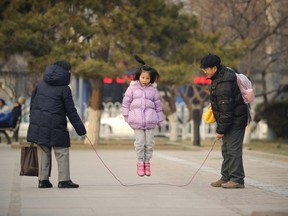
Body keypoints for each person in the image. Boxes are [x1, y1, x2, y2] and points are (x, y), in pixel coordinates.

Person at [27, 60, 86, 189]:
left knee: (43, 150)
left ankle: (43, 180)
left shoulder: (41, 84)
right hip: (56, 124)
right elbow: (71, 111)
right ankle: (64, 180)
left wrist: (34, 119)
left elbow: (33, 103)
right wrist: (81, 129)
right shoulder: (65, 89)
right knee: (61, 151)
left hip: (39, 123)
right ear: (67, 72)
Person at [200, 54, 249, 189]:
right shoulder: (219, 77)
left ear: (215, 68)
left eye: (206, 69)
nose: (204, 71)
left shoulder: (224, 82)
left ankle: (237, 179)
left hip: (236, 120)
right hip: (230, 120)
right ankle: (226, 176)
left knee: (233, 150)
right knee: (226, 149)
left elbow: (226, 109)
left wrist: (221, 130)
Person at [122, 56, 163, 177]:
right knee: (140, 143)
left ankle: (147, 162)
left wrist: (159, 120)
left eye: (147, 78)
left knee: (149, 143)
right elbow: (126, 103)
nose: (144, 80)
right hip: (137, 121)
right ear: (139, 77)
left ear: (151, 79)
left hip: (150, 121)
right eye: (143, 77)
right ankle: (140, 162)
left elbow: (158, 106)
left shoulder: (153, 90)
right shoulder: (132, 88)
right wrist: (127, 116)